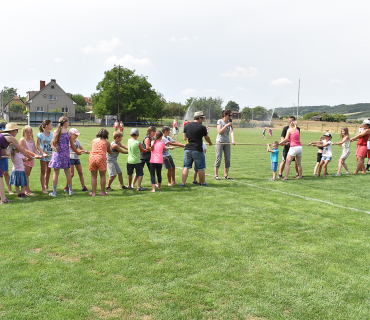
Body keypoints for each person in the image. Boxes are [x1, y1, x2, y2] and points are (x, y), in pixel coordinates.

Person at [0, 123, 33, 203]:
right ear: (11, 131)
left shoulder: (2, 135)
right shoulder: (11, 138)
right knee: (0, 178)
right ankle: (3, 199)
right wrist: (29, 157)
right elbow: (21, 150)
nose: (17, 132)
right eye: (16, 130)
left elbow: (5, 152)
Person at [48, 117, 81, 197]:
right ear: (65, 122)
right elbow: (72, 145)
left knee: (56, 172)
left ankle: (54, 192)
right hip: (66, 154)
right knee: (68, 173)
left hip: (58, 154)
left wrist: (55, 148)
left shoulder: (56, 131)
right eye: (68, 122)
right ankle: (71, 190)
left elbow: (52, 143)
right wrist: (77, 152)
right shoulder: (69, 132)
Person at [180, 111, 213, 187]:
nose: (203, 120)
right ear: (199, 118)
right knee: (201, 167)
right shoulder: (202, 127)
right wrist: (210, 143)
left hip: (187, 149)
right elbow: (206, 137)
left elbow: (184, 138)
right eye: (202, 118)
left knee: (186, 166)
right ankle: (203, 183)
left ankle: (183, 183)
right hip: (197, 149)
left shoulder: (187, 126)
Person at [20, 126, 46, 195]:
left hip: (31, 159)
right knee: (26, 175)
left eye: (30, 132)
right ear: (24, 133)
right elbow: (25, 150)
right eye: (27, 133)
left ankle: (27, 188)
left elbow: (34, 149)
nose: (29, 134)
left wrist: (39, 155)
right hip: (26, 158)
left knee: (28, 174)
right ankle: (26, 191)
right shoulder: (22, 140)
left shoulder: (32, 140)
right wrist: (35, 155)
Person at [64, 128, 90, 192]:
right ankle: (67, 186)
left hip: (77, 158)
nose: (77, 136)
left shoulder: (78, 141)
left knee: (80, 173)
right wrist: (83, 151)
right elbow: (74, 149)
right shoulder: (69, 142)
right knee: (71, 174)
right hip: (71, 158)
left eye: (77, 135)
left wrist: (84, 151)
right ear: (71, 134)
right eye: (75, 135)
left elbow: (81, 148)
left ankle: (83, 187)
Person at [89, 128, 112, 196]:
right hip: (101, 158)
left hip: (92, 158)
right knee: (102, 176)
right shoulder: (107, 143)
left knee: (93, 176)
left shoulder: (93, 140)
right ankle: (102, 192)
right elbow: (109, 151)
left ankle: (93, 193)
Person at [214, 109, 236, 180]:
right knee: (218, 158)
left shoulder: (230, 122)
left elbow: (231, 131)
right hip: (219, 142)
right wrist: (226, 125)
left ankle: (226, 175)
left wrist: (233, 140)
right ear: (225, 115)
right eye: (229, 115)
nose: (230, 117)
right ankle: (216, 175)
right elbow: (219, 132)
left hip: (227, 142)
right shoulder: (219, 121)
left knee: (227, 159)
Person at [37, 119, 53, 193]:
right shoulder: (40, 135)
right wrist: (43, 153)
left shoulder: (52, 134)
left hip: (50, 155)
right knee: (43, 171)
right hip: (43, 156)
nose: (52, 126)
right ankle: (43, 188)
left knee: (49, 171)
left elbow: (53, 144)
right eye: (51, 124)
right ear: (46, 126)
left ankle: (46, 186)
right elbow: (38, 146)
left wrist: (55, 149)